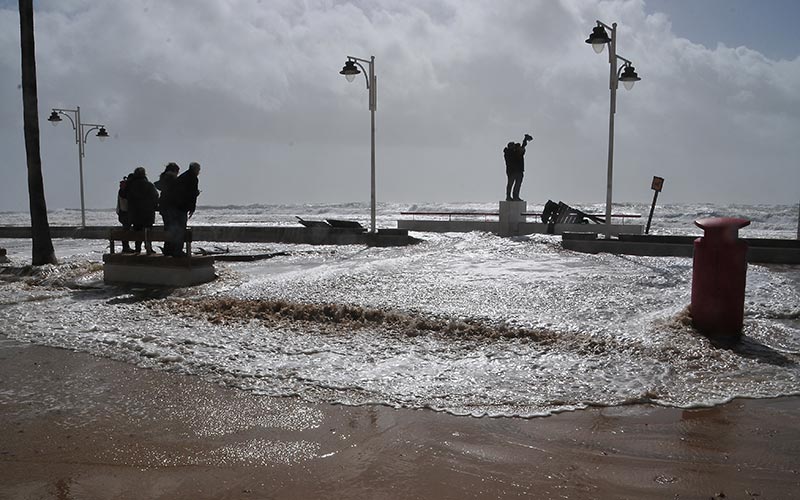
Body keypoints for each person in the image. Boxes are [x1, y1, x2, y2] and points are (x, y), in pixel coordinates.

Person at [168, 161, 201, 258]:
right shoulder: (193, 178)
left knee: (174, 228)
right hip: (182, 207)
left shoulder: (182, 176)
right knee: (181, 229)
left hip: (174, 206)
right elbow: (192, 195)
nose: (199, 172)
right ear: (195, 169)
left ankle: (172, 249)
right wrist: (192, 208)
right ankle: (178, 251)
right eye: (198, 170)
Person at [125, 166, 159, 254]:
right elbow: (155, 196)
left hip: (135, 213)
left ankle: (137, 249)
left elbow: (127, 197)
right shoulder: (149, 185)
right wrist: (154, 206)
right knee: (147, 231)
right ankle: (148, 247)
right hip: (147, 213)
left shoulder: (131, 185)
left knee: (137, 231)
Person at [155, 162, 180, 256]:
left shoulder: (163, 178)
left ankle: (167, 248)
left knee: (168, 228)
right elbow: (174, 194)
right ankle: (171, 249)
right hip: (171, 207)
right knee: (172, 229)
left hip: (164, 207)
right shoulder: (171, 179)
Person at [504, 133, 533, 201]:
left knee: (517, 184)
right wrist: (522, 144)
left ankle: (515, 196)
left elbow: (521, 152)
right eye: (513, 146)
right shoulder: (508, 153)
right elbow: (516, 155)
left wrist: (524, 143)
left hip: (518, 171)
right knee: (510, 184)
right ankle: (508, 196)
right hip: (512, 171)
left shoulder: (515, 152)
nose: (514, 147)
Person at [115, 176, 134, 253]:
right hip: (127, 212)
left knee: (125, 229)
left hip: (121, 212)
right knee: (128, 229)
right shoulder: (130, 189)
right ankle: (127, 247)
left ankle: (125, 247)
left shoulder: (121, 189)